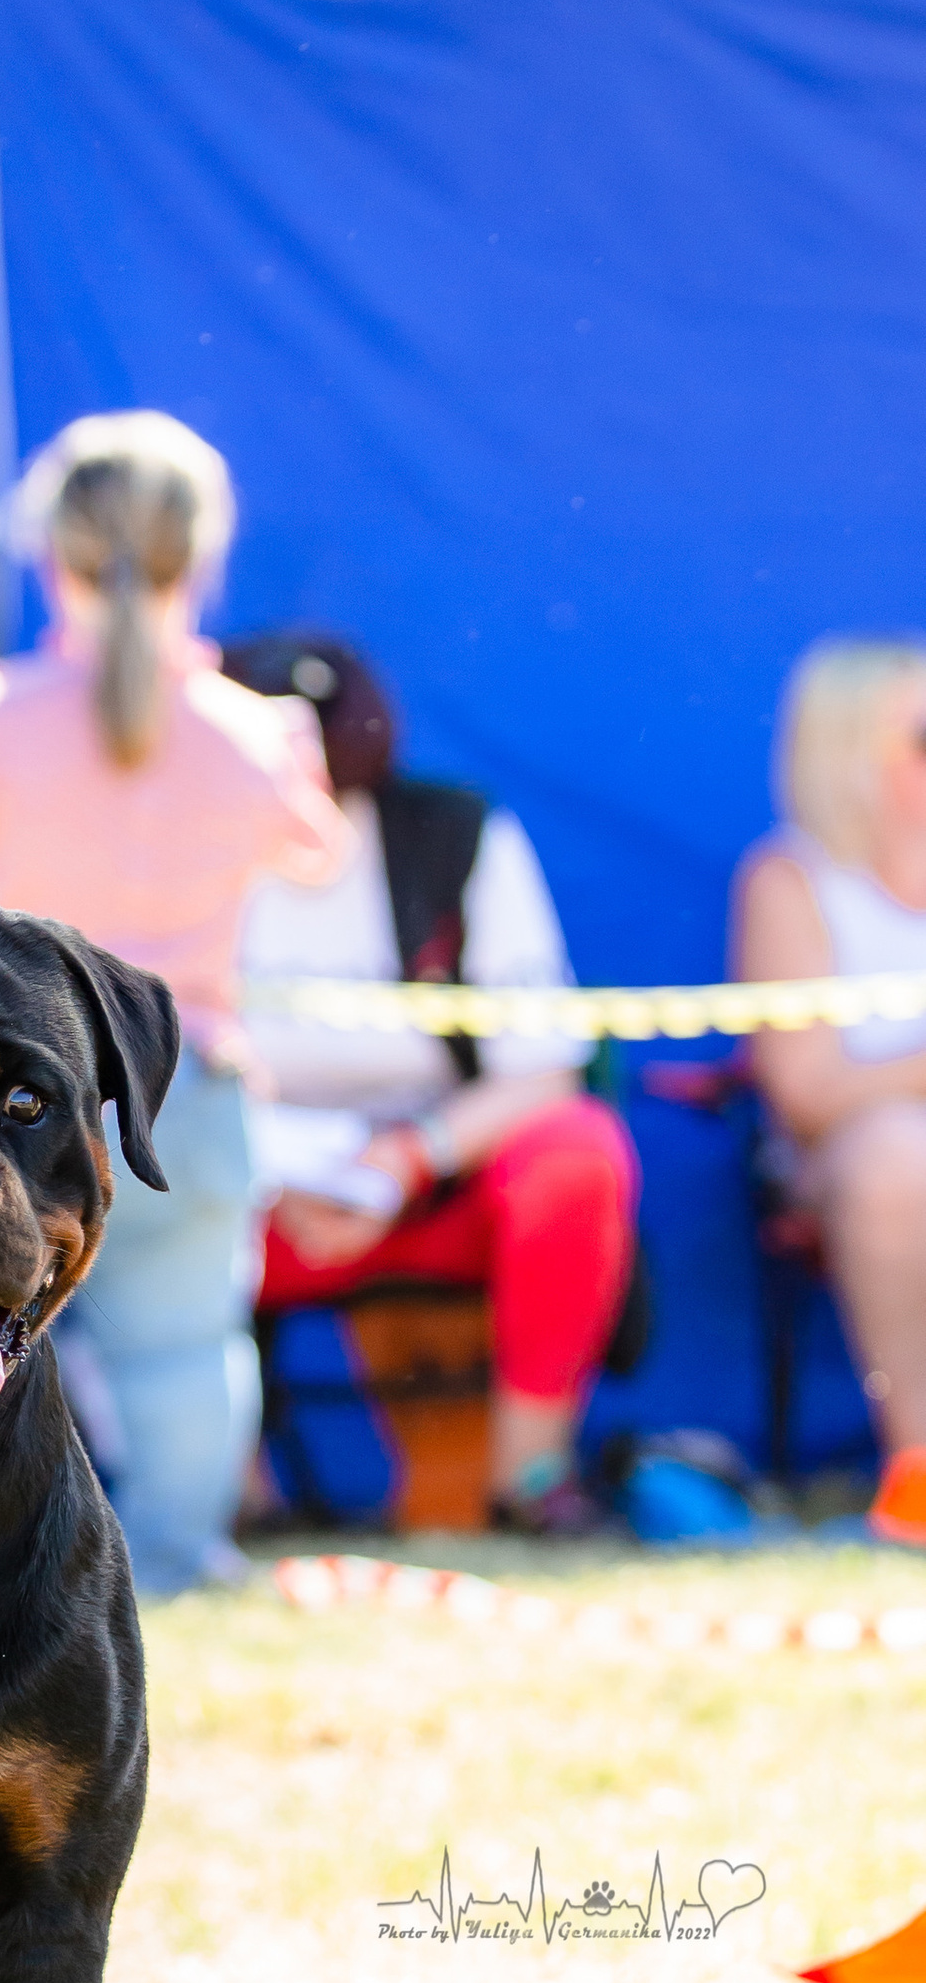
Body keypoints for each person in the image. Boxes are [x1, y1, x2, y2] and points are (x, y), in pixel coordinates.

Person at [0, 412, 345, 1594]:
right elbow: (315, 856)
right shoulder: (258, 734)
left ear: (46, 550)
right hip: (186, 1088)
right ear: (200, 557)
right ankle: (171, 1561)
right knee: (186, 1349)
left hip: (9, 1098)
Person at [228, 629, 638, 1534]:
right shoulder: (158, 848)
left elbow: (546, 1068)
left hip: (436, 1181)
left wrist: (405, 1160)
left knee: (579, 1152)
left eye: (320, 738)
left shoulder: (452, 835)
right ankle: (224, 1494)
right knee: (122, 1193)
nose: (301, 767)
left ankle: (530, 1482)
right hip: (250, 1195)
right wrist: (267, 1170)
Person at [734, 636, 926, 1547]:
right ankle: (919, 1472)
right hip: (854, 1163)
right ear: (849, 752)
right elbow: (805, 1090)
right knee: (897, 1155)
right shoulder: (792, 880)